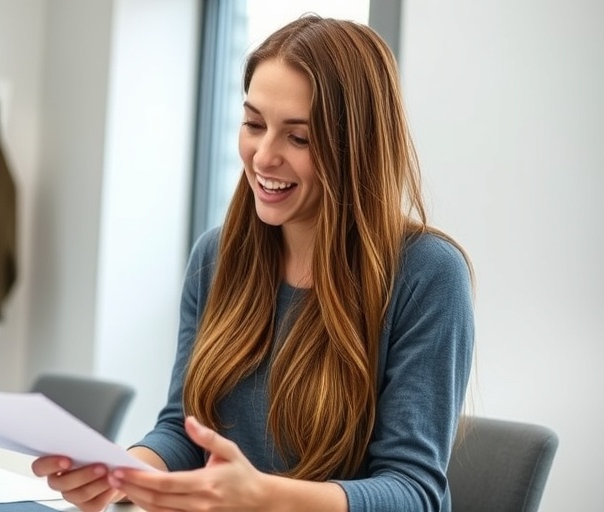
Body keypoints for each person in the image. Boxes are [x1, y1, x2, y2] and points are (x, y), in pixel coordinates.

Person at [32, 13, 474, 512]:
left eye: (299, 138)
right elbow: (184, 430)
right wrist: (124, 472)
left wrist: (265, 497)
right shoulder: (216, 258)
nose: (263, 157)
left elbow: (414, 493)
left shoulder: (427, 274)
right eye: (253, 124)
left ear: (358, 148)